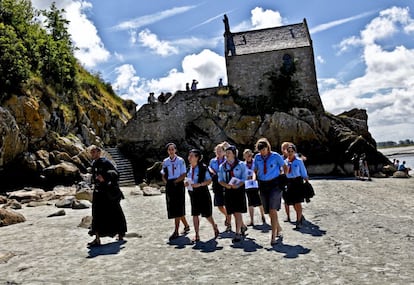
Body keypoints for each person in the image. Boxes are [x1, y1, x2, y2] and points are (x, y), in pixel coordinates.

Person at [87, 145, 127, 247]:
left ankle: (121, 234)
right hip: (98, 192)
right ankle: (97, 238)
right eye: (91, 152)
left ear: (99, 152)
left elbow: (115, 173)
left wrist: (104, 177)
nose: (93, 154)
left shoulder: (105, 162)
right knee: (96, 215)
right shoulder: (94, 164)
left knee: (115, 212)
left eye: (94, 152)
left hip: (107, 193)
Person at [254, 138, 285, 245]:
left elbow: (284, 166)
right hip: (263, 184)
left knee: (272, 209)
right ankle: (278, 227)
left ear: (268, 147)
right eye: (260, 150)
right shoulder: (257, 158)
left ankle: (273, 236)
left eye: (264, 149)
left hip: (274, 184)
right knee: (268, 210)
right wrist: (254, 177)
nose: (262, 152)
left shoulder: (275, 156)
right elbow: (255, 169)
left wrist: (284, 178)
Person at [185, 149, 219, 242]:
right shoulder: (189, 168)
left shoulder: (203, 168)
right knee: (194, 214)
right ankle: (197, 234)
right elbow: (187, 179)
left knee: (207, 215)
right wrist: (186, 183)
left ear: (197, 158)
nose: (189, 157)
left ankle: (214, 226)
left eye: (192, 156)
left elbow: (209, 181)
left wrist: (199, 184)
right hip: (193, 194)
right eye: (189, 155)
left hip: (203, 193)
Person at [161, 143, 191, 241]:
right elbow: (163, 174)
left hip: (178, 185)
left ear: (175, 150)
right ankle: (186, 225)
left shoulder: (180, 160)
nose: (171, 151)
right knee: (173, 207)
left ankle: (176, 230)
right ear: (167, 151)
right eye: (169, 149)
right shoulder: (165, 161)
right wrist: (167, 183)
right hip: (170, 185)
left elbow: (183, 174)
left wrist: (175, 182)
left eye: (172, 149)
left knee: (178, 206)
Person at [218, 145, 248, 243]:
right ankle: (242, 226)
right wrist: (225, 185)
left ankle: (237, 233)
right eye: (226, 153)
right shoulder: (222, 166)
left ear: (234, 154)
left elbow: (244, 178)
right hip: (228, 190)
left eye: (229, 153)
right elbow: (220, 179)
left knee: (237, 211)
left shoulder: (241, 165)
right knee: (233, 211)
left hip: (239, 190)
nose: (227, 154)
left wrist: (238, 185)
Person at [284, 144, 309, 229]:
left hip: (297, 182)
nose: (290, 153)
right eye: (289, 151)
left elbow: (303, 171)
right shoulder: (285, 162)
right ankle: (300, 216)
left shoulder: (298, 161)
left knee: (298, 202)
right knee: (292, 202)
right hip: (289, 183)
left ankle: (298, 221)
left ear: (294, 152)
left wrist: (306, 180)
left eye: (292, 151)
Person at [208, 142, 231, 231]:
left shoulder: (227, 160)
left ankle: (229, 222)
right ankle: (227, 216)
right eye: (217, 151)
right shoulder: (212, 161)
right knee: (219, 204)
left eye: (220, 150)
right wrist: (212, 171)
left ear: (224, 152)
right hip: (216, 183)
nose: (218, 152)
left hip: (225, 182)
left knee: (228, 203)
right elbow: (209, 168)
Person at [242, 149, 266, 226]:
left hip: (256, 183)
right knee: (250, 202)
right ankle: (252, 220)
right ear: (244, 156)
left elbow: (260, 170)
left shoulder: (256, 162)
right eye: (246, 155)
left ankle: (263, 216)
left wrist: (255, 175)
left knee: (259, 201)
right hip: (248, 184)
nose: (248, 157)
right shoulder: (242, 164)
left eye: (249, 155)